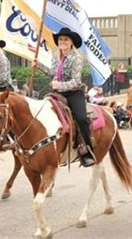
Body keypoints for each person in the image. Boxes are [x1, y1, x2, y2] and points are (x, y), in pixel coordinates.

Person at [32, 27, 95, 167]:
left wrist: (59, 85)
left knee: (81, 118)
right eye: (60, 39)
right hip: (57, 93)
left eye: (65, 39)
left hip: (73, 93)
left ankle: (88, 150)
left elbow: (76, 81)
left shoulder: (77, 57)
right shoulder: (56, 55)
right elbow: (52, 73)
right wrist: (39, 65)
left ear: (71, 42)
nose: (62, 42)